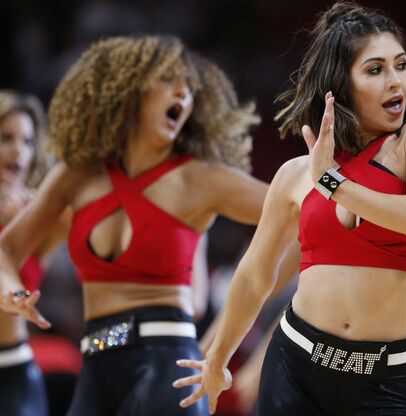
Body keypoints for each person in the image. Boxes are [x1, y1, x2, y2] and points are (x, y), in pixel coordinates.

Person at [173, 3, 406, 415]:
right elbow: (255, 275)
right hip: (295, 365)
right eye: (375, 70)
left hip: (386, 378)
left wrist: (333, 183)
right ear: (341, 85)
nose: (396, 81)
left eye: (401, 65)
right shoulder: (296, 173)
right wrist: (216, 361)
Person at [0, 35, 268, 416]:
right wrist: (11, 291)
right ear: (127, 88)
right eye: (170, 80)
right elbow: (7, 249)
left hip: (167, 362)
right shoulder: (75, 175)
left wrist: (222, 338)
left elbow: (297, 211)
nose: (184, 94)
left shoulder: (199, 179)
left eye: (190, 89)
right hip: (96, 361)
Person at [0, 90, 57, 416]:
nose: (17, 150)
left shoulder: (45, 214)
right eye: (6, 137)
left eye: (27, 141)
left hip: (13, 367)